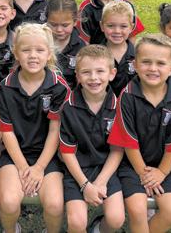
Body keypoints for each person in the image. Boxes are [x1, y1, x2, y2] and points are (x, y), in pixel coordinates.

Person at [107, 33, 171, 233]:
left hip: (165, 165)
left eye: (160, 63)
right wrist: (144, 174)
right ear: (135, 65)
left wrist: (161, 172)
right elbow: (128, 141)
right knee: (137, 210)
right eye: (146, 62)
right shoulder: (127, 96)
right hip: (132, 166)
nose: (153, 68)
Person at [0, 23, 67, 233]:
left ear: (49, 54)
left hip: (47, 156)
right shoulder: (6, 86)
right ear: (16, 53)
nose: (33, 55)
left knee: (55, 205)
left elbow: (55, 131)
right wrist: (22, 168)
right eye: (26, 50)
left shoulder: (59, 87)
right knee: (9, 202)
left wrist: (38, 168)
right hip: (14, 155)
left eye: (40, 50)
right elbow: (6, 131)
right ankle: (12, 230)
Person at [60, 45, 125, 233]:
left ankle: (97, 229)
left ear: (112, 74)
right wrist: (85, 185)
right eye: (86, 72)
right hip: (77, 171)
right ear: (78, 76)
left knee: (116, 220)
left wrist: (101, 182)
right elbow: (67, 152)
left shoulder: (119, 106)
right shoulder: (68, 107)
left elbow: (117, 150)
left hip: (106, 169)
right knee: (76, 223)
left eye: (100, 71)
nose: (93, 78)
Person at [46, 0, 85, 90]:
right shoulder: (40, 42)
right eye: (53, 25)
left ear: (75, 21)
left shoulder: (81, 48)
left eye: (65, 25)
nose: (59, 30)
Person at [101, 0, 137, 96]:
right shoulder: (94, 56)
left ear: (131, 27)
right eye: (111, 26)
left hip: (131, 104)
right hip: (104, 104)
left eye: (123, 26)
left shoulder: (138, 55)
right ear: (102, 26)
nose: (117, 31)